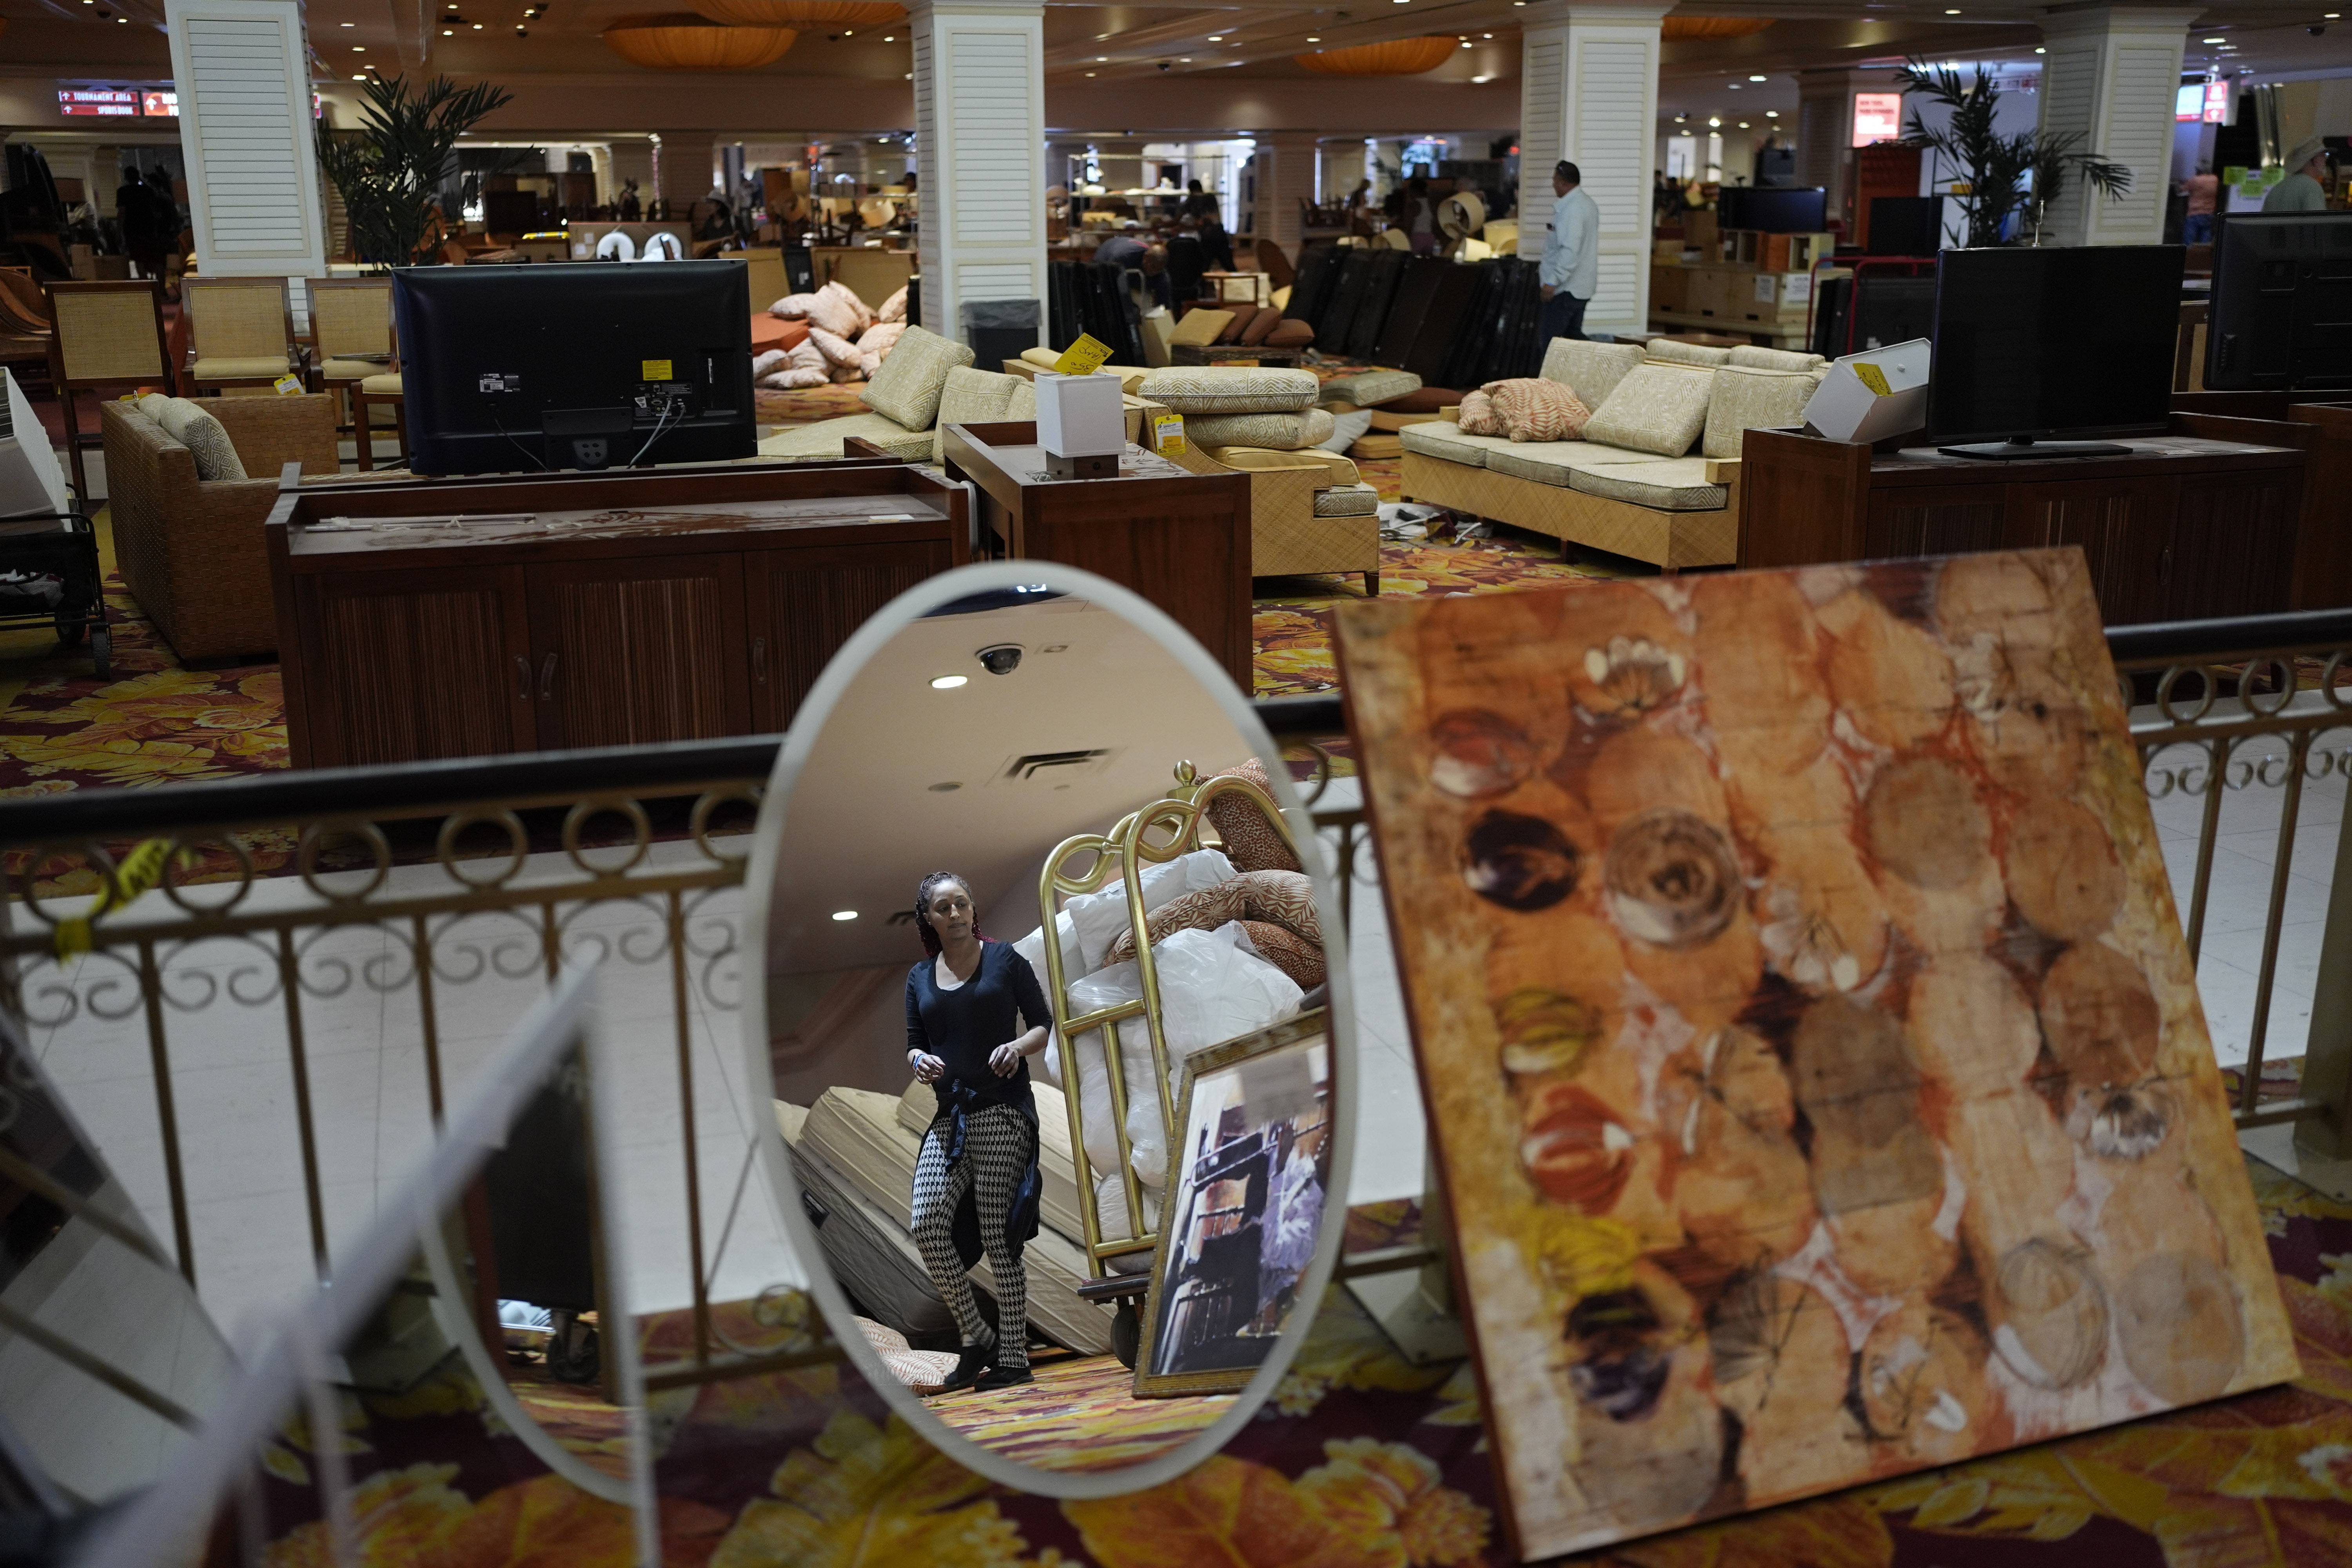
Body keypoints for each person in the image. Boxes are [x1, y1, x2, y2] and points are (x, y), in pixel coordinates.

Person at [904, 872, 1049, 1393]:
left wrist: (1019, 1048)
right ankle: (978, 1336)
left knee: (998, 1234)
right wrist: (919, 1059)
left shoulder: (1006, 960)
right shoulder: (919, 977)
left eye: (962, 904)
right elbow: (914, 1042)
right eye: (944, 908)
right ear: (929, 918)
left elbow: (1042, 1022)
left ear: (972, 908)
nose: (956, 914)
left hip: (1005, 1110)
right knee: (926, 1222)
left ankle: (1014, 1358)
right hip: (952, 1116)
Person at [1541, 160, 1599, 345]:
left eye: (1555, 180)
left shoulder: (1571, 210)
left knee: (1551, 344)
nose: (1553, 184)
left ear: (1563, 183)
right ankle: (1599, 361)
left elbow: (1570, 251)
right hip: (1581, 287)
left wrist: (1552, 282)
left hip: (1565, 289)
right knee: (1574, 339)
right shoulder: (1587, 203)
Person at [2265, 137, 2331, 214]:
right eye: (2324, 155)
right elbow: (2317, 221)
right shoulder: (2311, 187)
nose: (2326, 159)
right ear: (2316, 160)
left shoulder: (2278, 188)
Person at [1402, 174, 1439, 254]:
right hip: (1430, 237)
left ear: (1413, 191)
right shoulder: (1431, 204)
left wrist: (1406, 236)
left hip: (1417, 237)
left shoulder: (1414, 205)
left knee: (1414, 262)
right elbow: (1435, 223)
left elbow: (1409, 223)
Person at [2184, 164, 2220, 243]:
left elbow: (2183, 188)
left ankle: (2187, 255)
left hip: (2195, 213)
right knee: (2205, 238)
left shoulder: (2196, 180)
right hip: (2209, 213)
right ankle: (2204, 255)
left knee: (2189, 239)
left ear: (2199, 171)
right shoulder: (2215, 179)